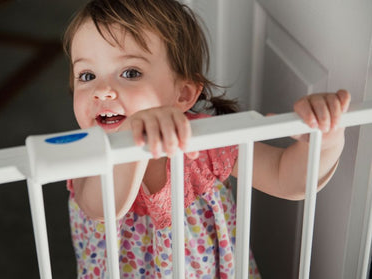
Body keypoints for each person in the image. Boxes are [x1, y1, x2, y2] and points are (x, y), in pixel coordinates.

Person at [62, 0, 350, 277]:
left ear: (183, 95)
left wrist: (324, 141)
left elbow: (285, 177)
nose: (102, 91)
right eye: (86, 76)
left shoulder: (204, 141)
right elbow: (100, 208)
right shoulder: (86, 149)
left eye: (130, 72)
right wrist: (130, 137)